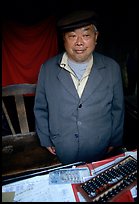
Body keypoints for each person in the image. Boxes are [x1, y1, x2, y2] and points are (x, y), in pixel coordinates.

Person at [34, 10, 125, 165]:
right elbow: (40, 108)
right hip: (62, 147)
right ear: (64, 39)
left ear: (96, 37)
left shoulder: (111, 68)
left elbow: (118, 108)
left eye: (86, 35)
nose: (79, 42)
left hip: (100, 147)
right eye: (72, 35)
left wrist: (115, 140)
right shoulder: (48, 68)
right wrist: (45, 138)